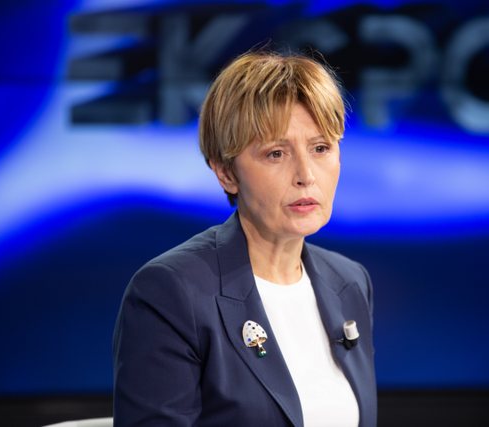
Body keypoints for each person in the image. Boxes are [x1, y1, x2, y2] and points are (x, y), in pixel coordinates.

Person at [113, 50, 377, 427]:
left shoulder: (349, 282)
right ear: (226, 173)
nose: (306, 175)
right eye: (276, 154)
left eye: (320, 148)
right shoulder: (171, 293)